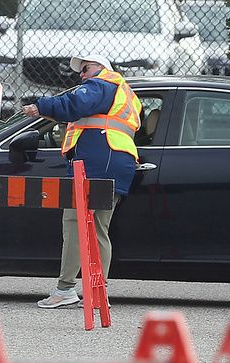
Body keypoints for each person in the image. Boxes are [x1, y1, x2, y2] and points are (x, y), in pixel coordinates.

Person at [22, 54, 141, 308]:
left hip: (98, 161)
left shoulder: (101, 84)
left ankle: (65, 289)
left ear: (101, 68)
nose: (81, 75)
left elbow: (76, 102)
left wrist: (42, 105)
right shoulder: (120, 91)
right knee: (98, 229)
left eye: (85, 69)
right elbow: (83, 114)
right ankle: (98, 293)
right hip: (114, 160)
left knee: (75, 222)